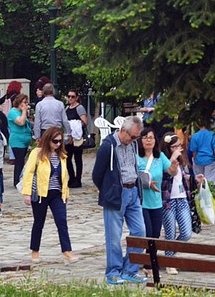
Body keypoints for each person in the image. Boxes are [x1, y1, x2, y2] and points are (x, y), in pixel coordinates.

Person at [92, 115, 147, 285]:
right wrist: (110, 190)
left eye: (137, 137)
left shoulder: (133, 145)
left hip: (133, 192)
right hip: (117, 193)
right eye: (132, 137)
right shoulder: (108, 146)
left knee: (140, 231)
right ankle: (113, 271)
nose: (134, 140)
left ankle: (130, 270)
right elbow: (96, 175)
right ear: (123, 130)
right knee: (114, 235)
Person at [21, 126, 76, 265]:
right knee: (39, 223)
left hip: (57, 193)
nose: (57, 144)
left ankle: (67, 251)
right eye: (55, 141)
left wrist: (66, 193)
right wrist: (27, 193)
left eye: (60, 141)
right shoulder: (37, 153)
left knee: (62, 221)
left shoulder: (61, 155)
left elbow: (64, 177)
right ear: (48, 140)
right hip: (40, 193)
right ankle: (35, 250)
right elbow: (28, 173)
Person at [161, 132, 205, 274]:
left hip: (182, 198)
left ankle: (170, 255)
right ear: (168, 148)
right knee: (170, 233)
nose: (178, 149)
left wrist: (193, 178)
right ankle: (169, 262)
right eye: (174, 147)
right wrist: (172, 159)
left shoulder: (180, 161)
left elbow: (180, 177)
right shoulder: (162, 160)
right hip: (168, 200)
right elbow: (167, 176)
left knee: (186, 233)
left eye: (179, 146)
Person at [136, 127, 171, 239]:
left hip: (156, 202)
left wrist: (174, 165)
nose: (148, 140)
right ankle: (145, 256)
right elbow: (132, 177)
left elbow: (171, 171)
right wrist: (147, 183)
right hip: (141, 202)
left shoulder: (160, 156)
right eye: (145, 138)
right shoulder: (136, 157)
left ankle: (151, 256)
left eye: (151, 138)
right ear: (140, 140)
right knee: (148, 233)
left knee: (155, 235)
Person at [65, 90, 88, 188]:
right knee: (67, 158)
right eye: (69, 96)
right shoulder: (67, 108)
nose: (70, 98)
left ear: (77, 97)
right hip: (69, 136)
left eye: (72, 96)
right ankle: (72, 177)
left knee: (78, 158)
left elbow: (85, 122)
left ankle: (78, 179)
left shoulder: (80, 108)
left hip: (78, 136)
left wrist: (75, 124)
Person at [7, 93, 32, 186]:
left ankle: (21, 178)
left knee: (22, 161)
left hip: (25, 139)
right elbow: (21, 122)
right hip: (17, 140)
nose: (26, 104)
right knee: (19, 161)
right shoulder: (13, 112)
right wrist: (24, 111)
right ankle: (17, 181)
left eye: (27, 102)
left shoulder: (22, 112)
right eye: (24, 102)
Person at [188, 119, 215, 185]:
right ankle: (211, 193)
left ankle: (200, 192)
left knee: (199, 180)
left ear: (197, 125)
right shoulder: (213, 135)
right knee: (210, 180)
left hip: (198, 159)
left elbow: (194, 151)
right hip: (210, 159)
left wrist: (195, 159)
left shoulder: (195, 136)